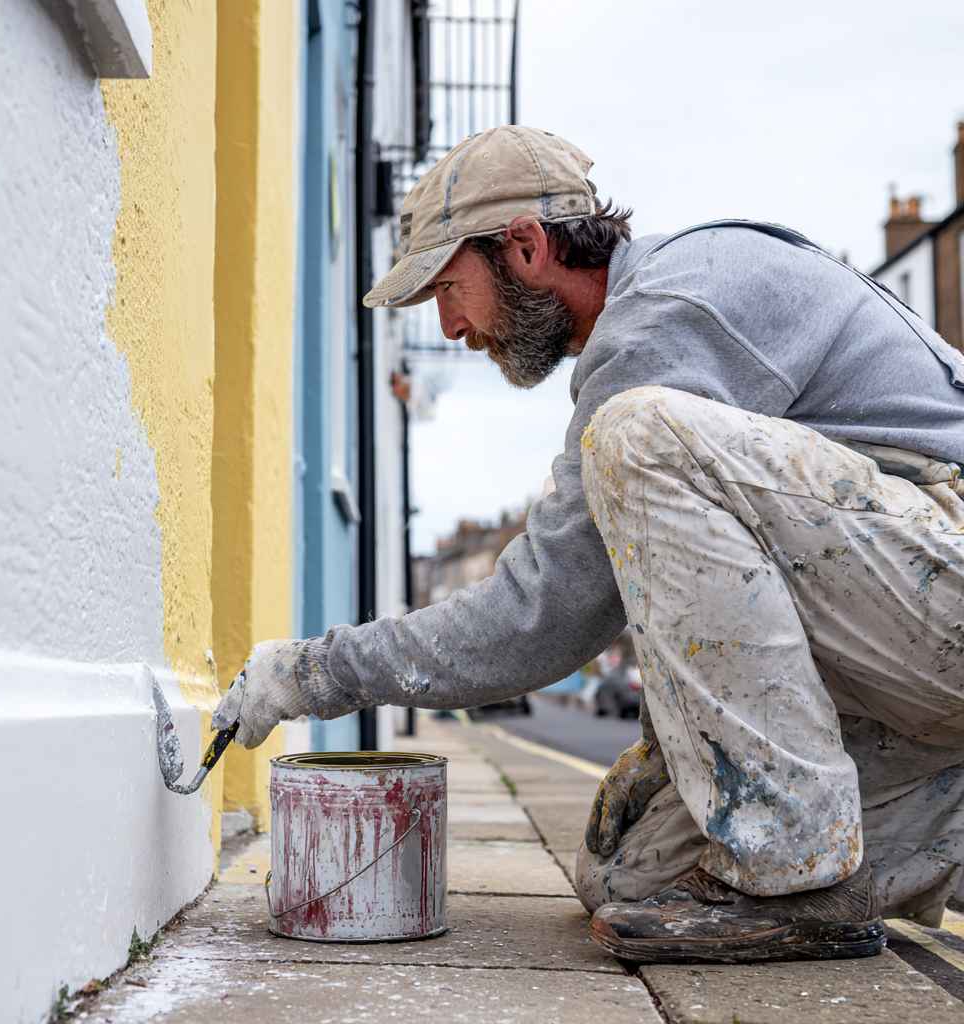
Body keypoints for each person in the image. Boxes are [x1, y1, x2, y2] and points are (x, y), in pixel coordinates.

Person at [212, 125, 964, 963]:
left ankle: (796, 875)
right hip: (899, 637)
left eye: (448, 289)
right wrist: (677, 746)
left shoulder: (669, 315)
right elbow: (717, 580)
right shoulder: (647, 331)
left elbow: (542, 619)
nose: (452, 326)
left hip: (945, 564)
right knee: (624, 879)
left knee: (635, 437)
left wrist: (311, 673)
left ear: (524, 247)